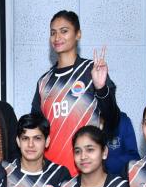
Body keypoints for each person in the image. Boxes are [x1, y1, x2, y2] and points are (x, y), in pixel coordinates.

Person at [32, 10, 120, 175]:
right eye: (53, 33)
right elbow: (35, 129)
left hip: (86, 171)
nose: (57, 37)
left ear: (78, 34)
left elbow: (113, 120)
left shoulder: (92, 71)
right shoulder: (44, 82)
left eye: (64, 31)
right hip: (51, 173)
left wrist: (101, 88)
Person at [104, 112, 141, 176]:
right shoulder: (87, 119)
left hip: (116, 177)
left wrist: (105, 165)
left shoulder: (122, 121)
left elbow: (134, 157)